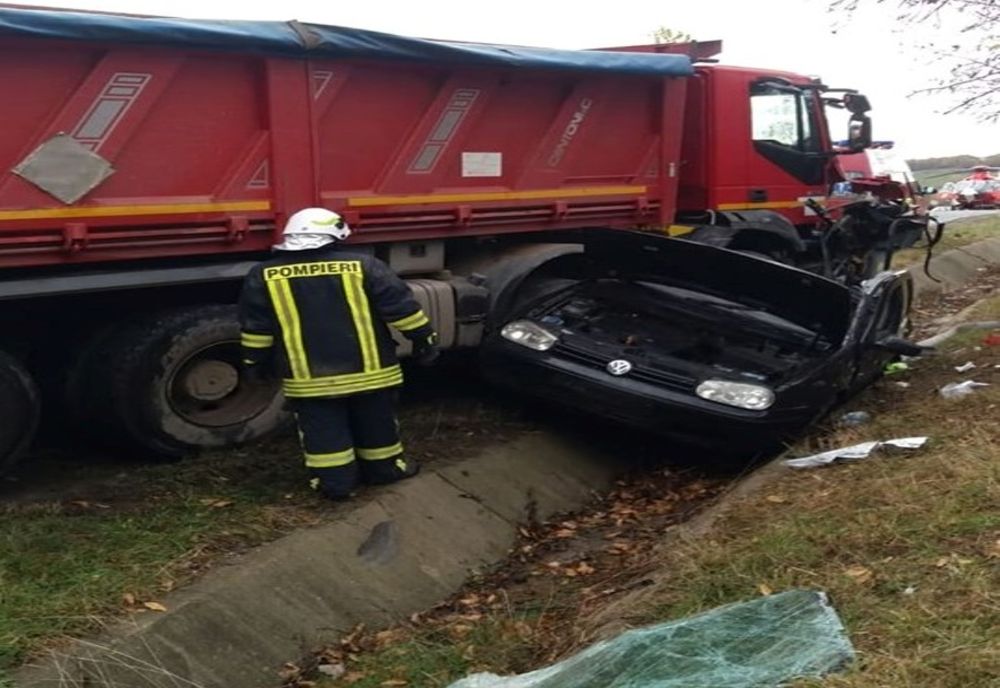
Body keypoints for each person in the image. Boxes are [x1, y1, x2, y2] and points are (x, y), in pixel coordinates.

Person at [238, 207, 439, 500]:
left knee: (322, 430)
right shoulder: (365, 265)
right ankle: (385, 471)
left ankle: (335, 484)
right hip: (371, 373)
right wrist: (424, 340)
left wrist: (253, 361)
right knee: (377, 424)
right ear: (335, 233)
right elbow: (402, 310)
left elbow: (257, 327)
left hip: (309, 379)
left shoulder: (263, 274)